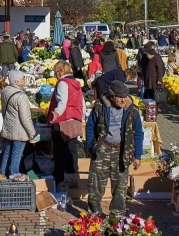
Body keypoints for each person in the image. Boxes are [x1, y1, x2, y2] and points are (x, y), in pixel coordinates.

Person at [86, 80, 144, 216]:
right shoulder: (100, 106)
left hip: (121, 151)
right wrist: (91, 146)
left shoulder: (133, 110)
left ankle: (116, 216)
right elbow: (90, 126)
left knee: (120, 186)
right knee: (96, 184)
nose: (123, 100)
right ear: (112, 96)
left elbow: (138, 133)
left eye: (125, 97)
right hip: (103, 149)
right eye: (119, 97)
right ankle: (94, 213)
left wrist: (137, 156)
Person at [47, 60, 84, 187]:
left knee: (60, 152)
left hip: (63, 121)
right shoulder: (76, 83)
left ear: (59, 71)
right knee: (71, 151)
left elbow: (62, 102)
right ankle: (73, 179)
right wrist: (81, 118)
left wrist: (56, 113)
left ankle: (59, 181)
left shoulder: (63, 83)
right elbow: (82, 103)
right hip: (74, 121)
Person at [0, 70, 37, 176]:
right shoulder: (21, 97)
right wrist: (32, 134)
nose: (24, 80)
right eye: (23, 79)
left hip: (9, 126)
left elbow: (3, 111)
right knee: (16, 154)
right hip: (20, 130)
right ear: (16, 82)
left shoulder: (5, 91)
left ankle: (2, 174)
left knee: (7, 152)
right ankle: (13, 176)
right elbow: (25, 118)